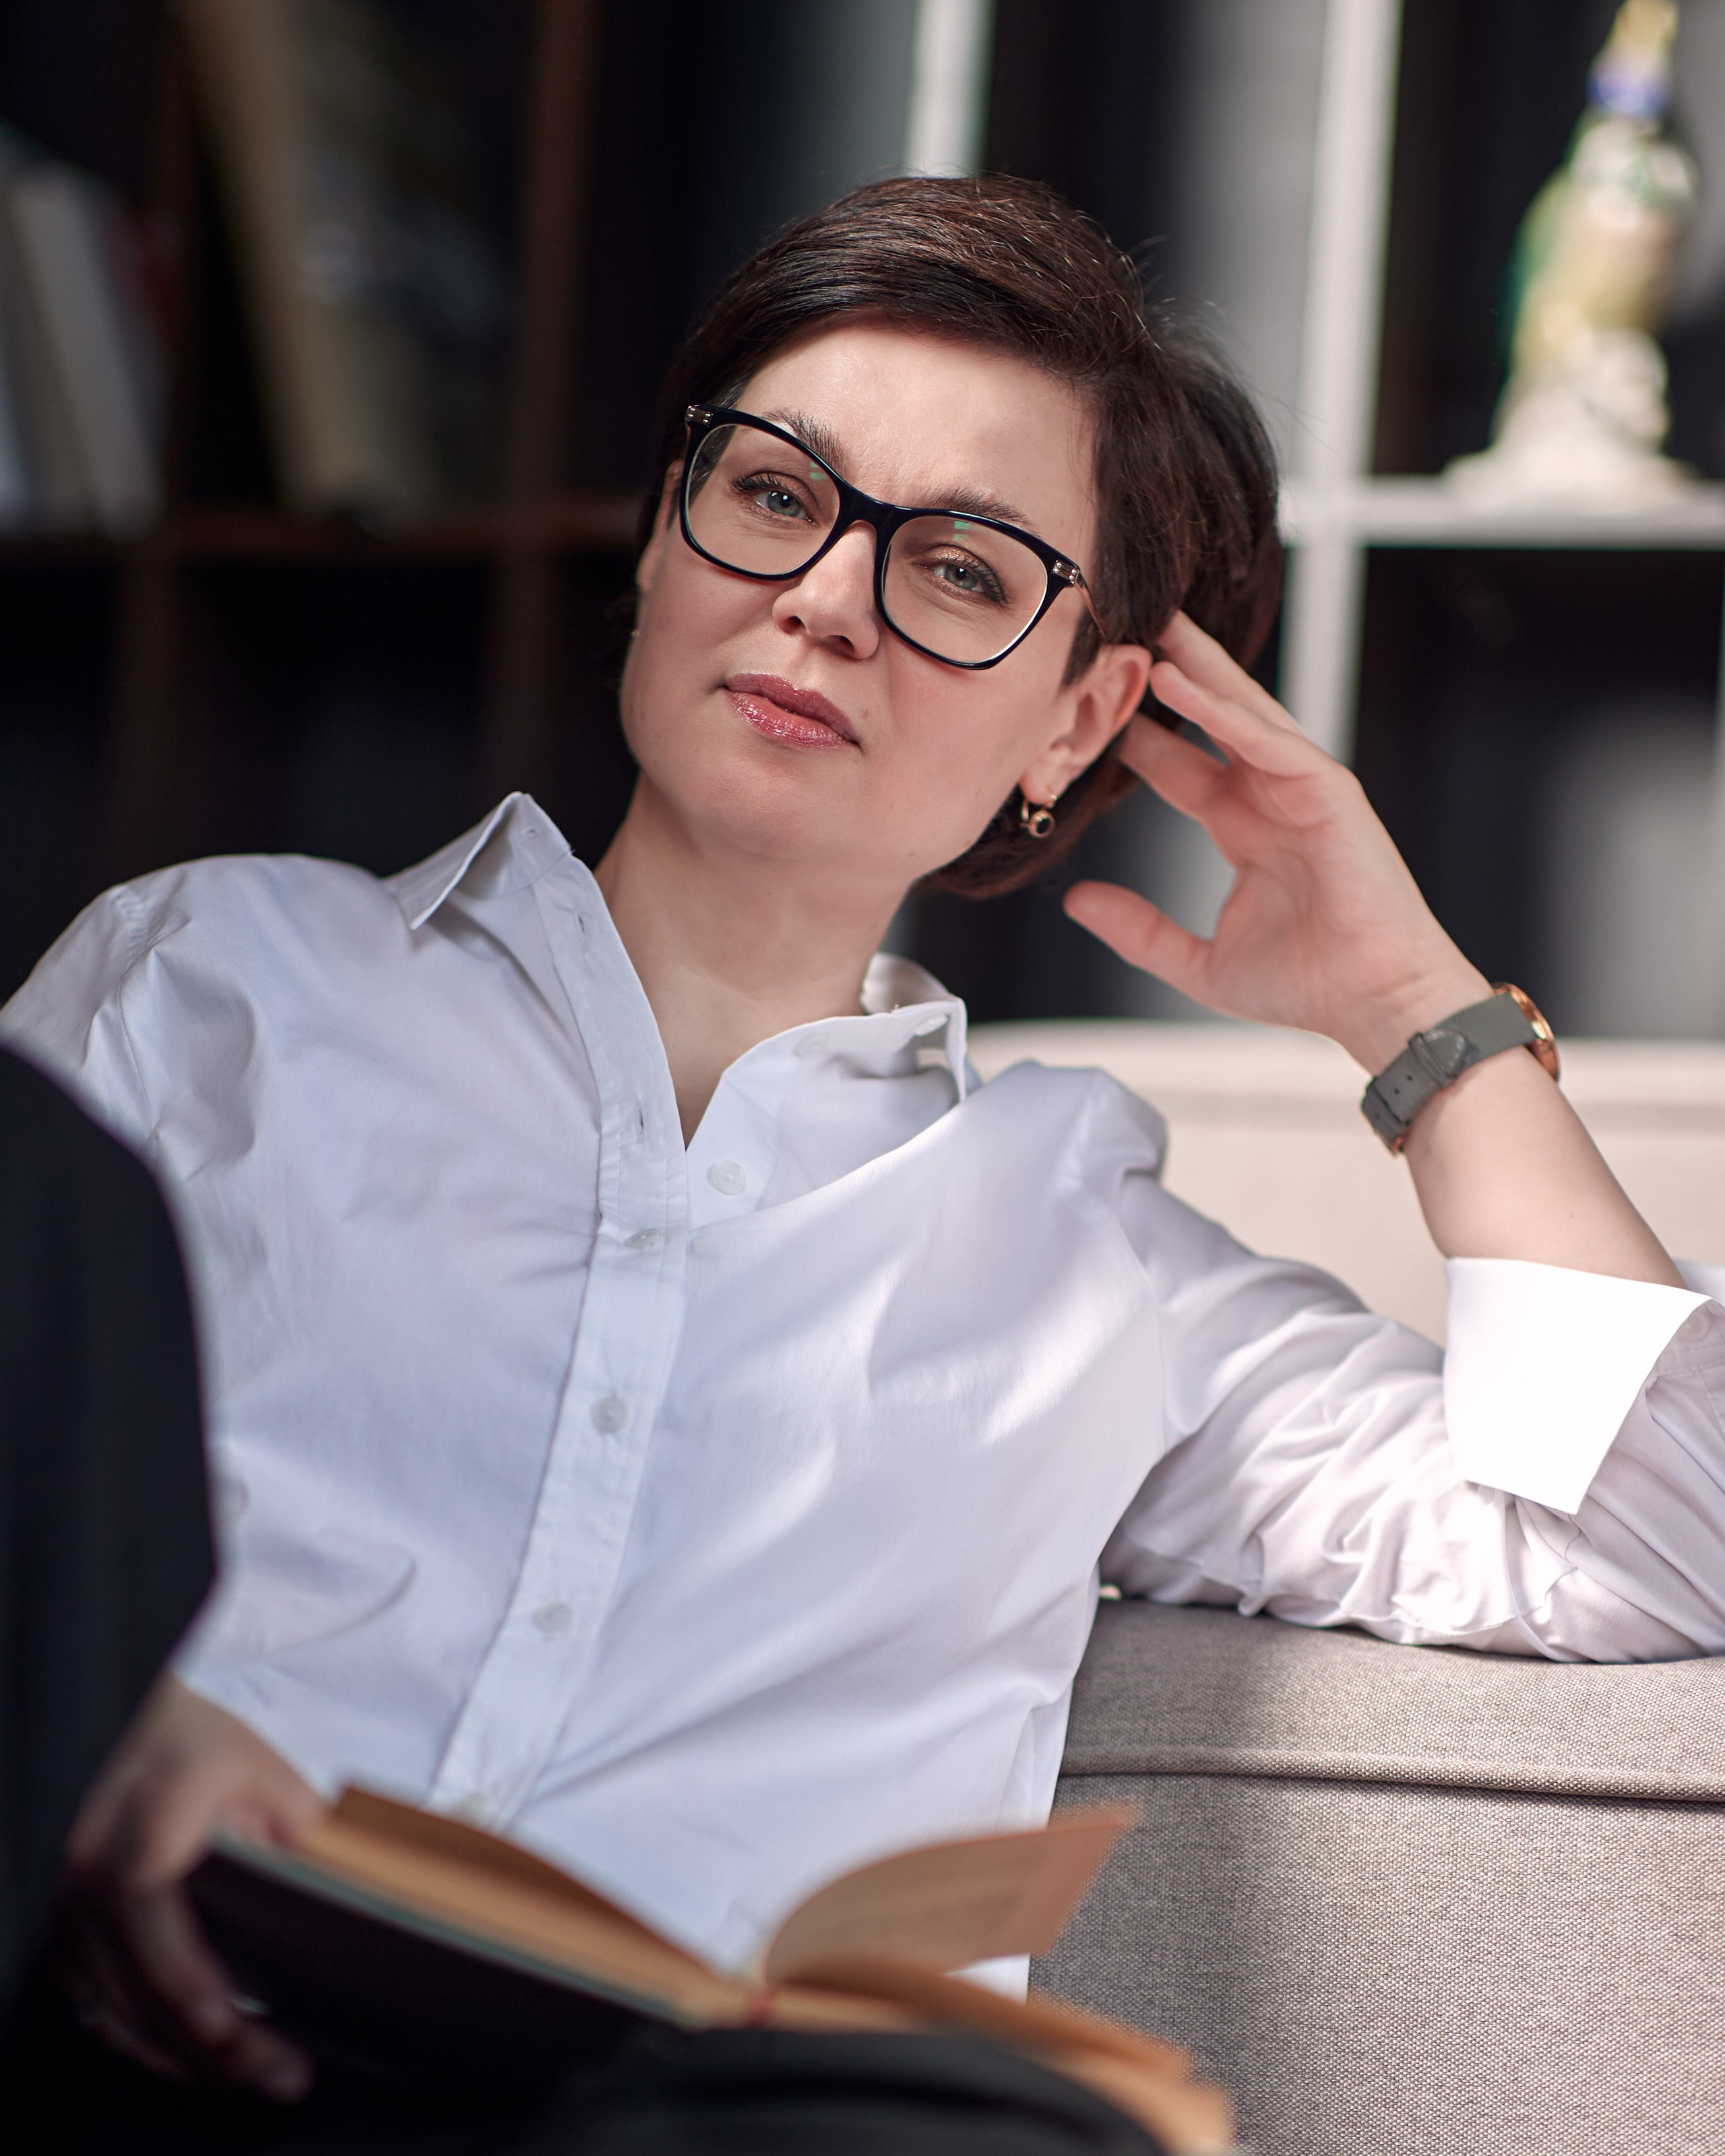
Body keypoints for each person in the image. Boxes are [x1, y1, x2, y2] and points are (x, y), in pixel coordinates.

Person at [6, 172, 1725, 2138]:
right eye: (770, 493)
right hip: (129, 2015)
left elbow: (1656, 1535)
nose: (824, 594)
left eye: (967, 572)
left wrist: (1415, 1009)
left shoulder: (1092, 1257)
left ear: (1081, 718)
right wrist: (123, 1717)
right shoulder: (217, 978)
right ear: (664, 534)